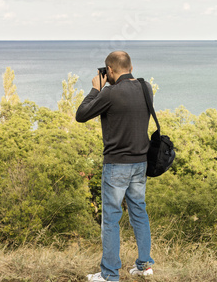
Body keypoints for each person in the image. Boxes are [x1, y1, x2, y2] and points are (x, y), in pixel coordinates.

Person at [76, 51, 155, 282]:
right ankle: (144, 266)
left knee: (111, 218)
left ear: (109, 70)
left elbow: (81, 114)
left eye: (106, 71)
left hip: (117, 166)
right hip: (141, 163)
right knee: (139, 212)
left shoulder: (110, 93)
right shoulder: (145, 87)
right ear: (131, 66)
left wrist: (95, 89)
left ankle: (110, 274)